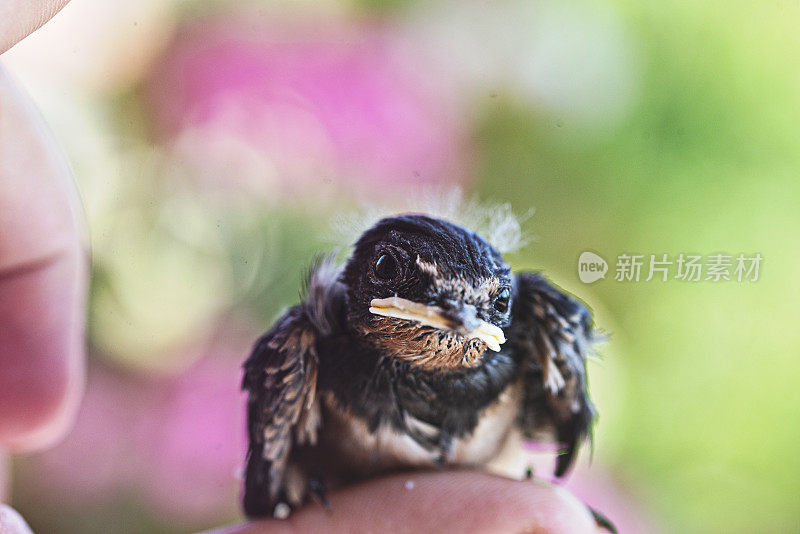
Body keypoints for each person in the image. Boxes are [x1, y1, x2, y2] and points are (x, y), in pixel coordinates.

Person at [0, 4, 604, 532]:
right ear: (363, 277)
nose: (449, 313)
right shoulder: (310, 348)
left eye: (481, 308)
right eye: (397, 272)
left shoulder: (536, 327)